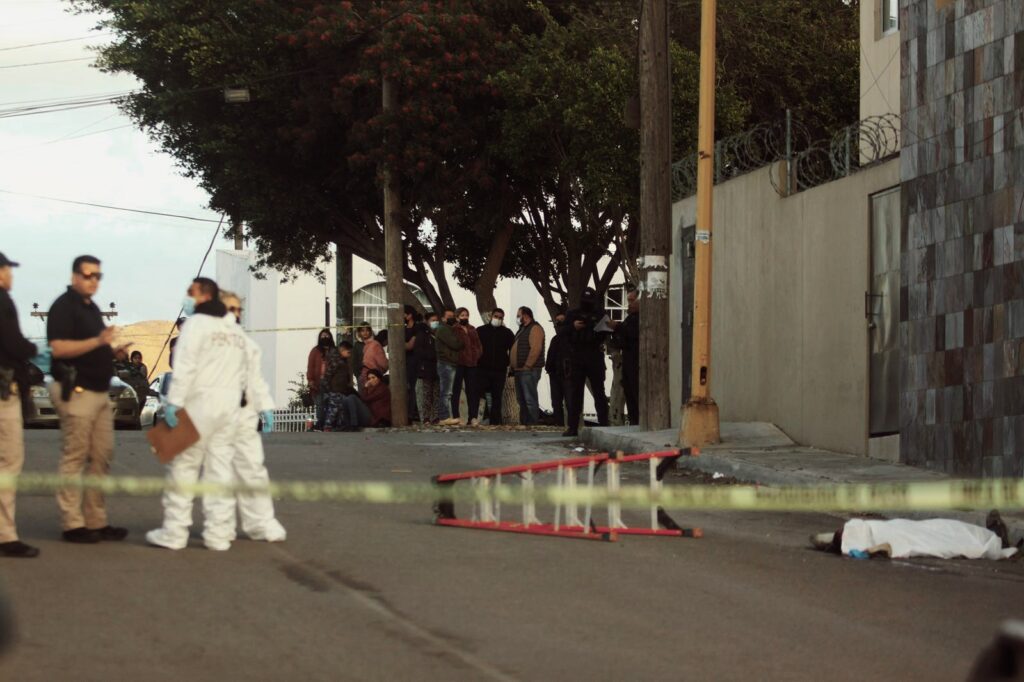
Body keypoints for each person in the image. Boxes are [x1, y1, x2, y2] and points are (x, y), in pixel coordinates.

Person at [146, 277, 247, 551]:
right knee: (220, 471)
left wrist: (173, 404)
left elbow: (185, 367)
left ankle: (175, 532)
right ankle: (218, 534)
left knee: (184, 469)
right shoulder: (234, 331)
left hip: (198, 404)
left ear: (203, 296)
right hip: (228, 408)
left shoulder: (195, 326)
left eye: (190, 292)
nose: (187, 297)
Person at [47, 255, 129, 544]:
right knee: (75, 455)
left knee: (102, 456)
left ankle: (95, 520)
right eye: (87, 274)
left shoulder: (91, 308)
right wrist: (99, 341)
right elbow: (58, 348)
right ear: (74, 277)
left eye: (97, 276)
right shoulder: (63, 307)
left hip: (99, 391)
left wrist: (113, 352)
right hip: (77, 390)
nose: (93, 280)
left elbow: (94, 347)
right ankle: (72, 523)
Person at [220, 292, 285, 543]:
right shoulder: (204, 339)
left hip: (244, 414)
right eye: (230, 308)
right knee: (220, 473)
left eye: (238, 310)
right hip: (217, 415)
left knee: (253, 469)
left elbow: (255, 380)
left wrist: (266, 407)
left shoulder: (246, 343)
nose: (235, 314)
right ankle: (220, 526)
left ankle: (260, 523)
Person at [0, 252, 41, 558]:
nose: (10, 274)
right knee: (9, 462)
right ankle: (5, 535)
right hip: (4, 391)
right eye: (7, 269)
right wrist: (30, 347)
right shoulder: (3, 300)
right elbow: (12, 343)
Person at [564, 287, 610, 438]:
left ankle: (604, 425)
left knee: (599, 392)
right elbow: (563, 332)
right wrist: (573, 327)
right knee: (575, 394)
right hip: (577, 356)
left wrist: (595, 328)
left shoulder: (600, 314)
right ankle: (572, 427)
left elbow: (607, 332)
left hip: (594, 355)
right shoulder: (573, 314)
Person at [475, 308, 514, 425]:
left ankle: (495, 421)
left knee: (497, 396)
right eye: (496, 316)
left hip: (499, 370)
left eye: (500, 317)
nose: (498, 319)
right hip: (482, 369)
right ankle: (482, 418)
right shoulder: (480, 330)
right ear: (491, 316)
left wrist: (511, 365)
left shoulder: (507, 333)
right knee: (481, 395)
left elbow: (512, 350)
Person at [510, 306, 546, 425]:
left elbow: (536, 348)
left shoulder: (535, 328)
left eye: (518, 315)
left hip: (529, 370)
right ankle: (524, 423)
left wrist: (528, 365)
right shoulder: (522, 329)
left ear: (525, 315)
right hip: (519, 370)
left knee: (529, 398)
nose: (517, 318)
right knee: (521, 399)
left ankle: (532, 423)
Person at [613, 289, 640, 425]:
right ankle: (634, 420)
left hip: (636, 359)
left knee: (635, 391)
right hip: (627, 358)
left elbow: (632, 334)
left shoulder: (640, 318)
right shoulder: (630, 318)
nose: (629, 304)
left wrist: (617, 327)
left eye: (632, 300)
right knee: (628, 391)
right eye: (628, 300)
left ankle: (638, 420)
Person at [452, 307, 482, 425]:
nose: (465, 317)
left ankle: (473, 417)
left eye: (466, 315)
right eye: (462, 315)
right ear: (457, 317)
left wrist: (477, 355)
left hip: (472, 364)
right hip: (458, 364)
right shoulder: (454, 329)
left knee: (472, 391)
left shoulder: (472, 329)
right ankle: (456, 416)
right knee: (456, 391)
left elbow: (478, 345)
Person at [434, 308, 464, 426]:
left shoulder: (449, 329)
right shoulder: (443, 330)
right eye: (449, 316)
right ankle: (444, 416)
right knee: (446, 392)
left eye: (453, 316)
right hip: (446, 363)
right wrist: (461, 341)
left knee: (447, 391)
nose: (452, 318)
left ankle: (446, 416)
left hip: (449, 362)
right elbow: (456, 344)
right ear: (443, 318)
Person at [322, 341, 357, 431]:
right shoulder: (336, 361)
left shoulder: (344, 362)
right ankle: (328, 425)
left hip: (341, 389)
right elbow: (328, 375)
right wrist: (328, 388)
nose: (349, 355)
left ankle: (340, 425)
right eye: (348, 352)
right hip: (335, 389)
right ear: (342, 350)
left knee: (341, 408)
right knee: (333, 409)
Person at [414, 312, 441, 424]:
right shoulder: (422, 335)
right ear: (427, 321)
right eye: (432, 320)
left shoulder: (440, 334)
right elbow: (419, 351)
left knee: (437, 394)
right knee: (426, 394)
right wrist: (432, 355)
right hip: (426, 369)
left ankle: (435, 417)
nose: (435, 322)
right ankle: (426, 417)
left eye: (436, 320)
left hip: (438, 369)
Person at [545, 307, 571, 427]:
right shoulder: (555, 339)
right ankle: (559, 423)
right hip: (554, 373)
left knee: (569, 400)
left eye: (562, 321)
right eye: (557, 321)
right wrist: (549, 368)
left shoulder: (571, 339)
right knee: (556, 401)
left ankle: (570, 425)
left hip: (567, 374)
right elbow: (551, 355)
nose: (559, 324)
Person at [307, 328, 334, 431]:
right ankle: (320, 422)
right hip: (317, 382)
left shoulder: (333, 351)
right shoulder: (315, 351)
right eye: (322, 336)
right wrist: (310, 380)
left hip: (331, 382)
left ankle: (329, 423)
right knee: (319, 403)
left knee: (330, 402)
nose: (325, 338)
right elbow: (310, 367)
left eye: (327, 336)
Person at [403, 305, 422, 422]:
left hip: (415, 360)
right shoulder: (403, 328)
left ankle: (414, 412)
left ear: (409, 315)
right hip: (405, 361)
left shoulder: (418, 327)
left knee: (415, 386)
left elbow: (410, 345)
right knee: (408, 387)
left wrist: (401, 344)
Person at [356, 322, 388, 389]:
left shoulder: (368, 344)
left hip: (363, 375)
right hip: (370, 377)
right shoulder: (376, 345)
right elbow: (383, 364)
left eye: (367, 330)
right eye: (362, 331)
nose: (365, 333)